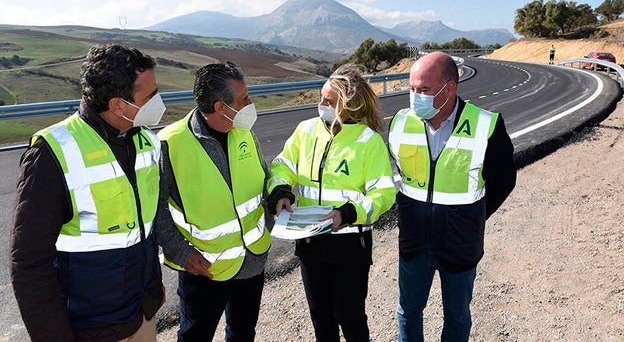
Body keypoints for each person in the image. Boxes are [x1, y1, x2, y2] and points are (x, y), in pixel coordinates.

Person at [10, 44, 167, 342]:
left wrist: (152, 285)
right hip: (91, 328)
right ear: (118, 105)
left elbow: (147, 223)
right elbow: (28, 263)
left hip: (141, 311)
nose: (159, 102)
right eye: (150, 97)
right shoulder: (52, 154)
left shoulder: (146, 139)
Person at [388, 51, 517, 342]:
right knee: (408, 310)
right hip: (414, 240)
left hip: (460, 242)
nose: (415, 97)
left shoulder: (486, 125)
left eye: (424, 90)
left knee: (457, 316)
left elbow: (503, 180)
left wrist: (471, 217)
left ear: (449, 89)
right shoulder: (399, 122)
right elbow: (399, 172)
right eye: (411, 89)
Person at [267, 64, 396, 342]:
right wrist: (280, 192)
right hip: (310, 241)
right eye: (321, 98)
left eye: (329, 101)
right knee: (321, 318)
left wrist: (347, 214)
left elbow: (384, 194)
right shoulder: (306, 130)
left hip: (349, 244)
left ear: (349, 105)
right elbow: (282, 166)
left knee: (350, 318)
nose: (321, 105)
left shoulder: (368, 142)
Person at [156, 61, 272, 342]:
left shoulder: (243, 130)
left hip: (252, 259)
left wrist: (275, 204)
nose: (250, 103)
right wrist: (181, 253)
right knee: (195, 336)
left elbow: (263, 178)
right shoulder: (170, 143)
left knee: (243, 333)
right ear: (221, 107)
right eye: (244, 98)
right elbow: (156, 208)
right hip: (204, 269)